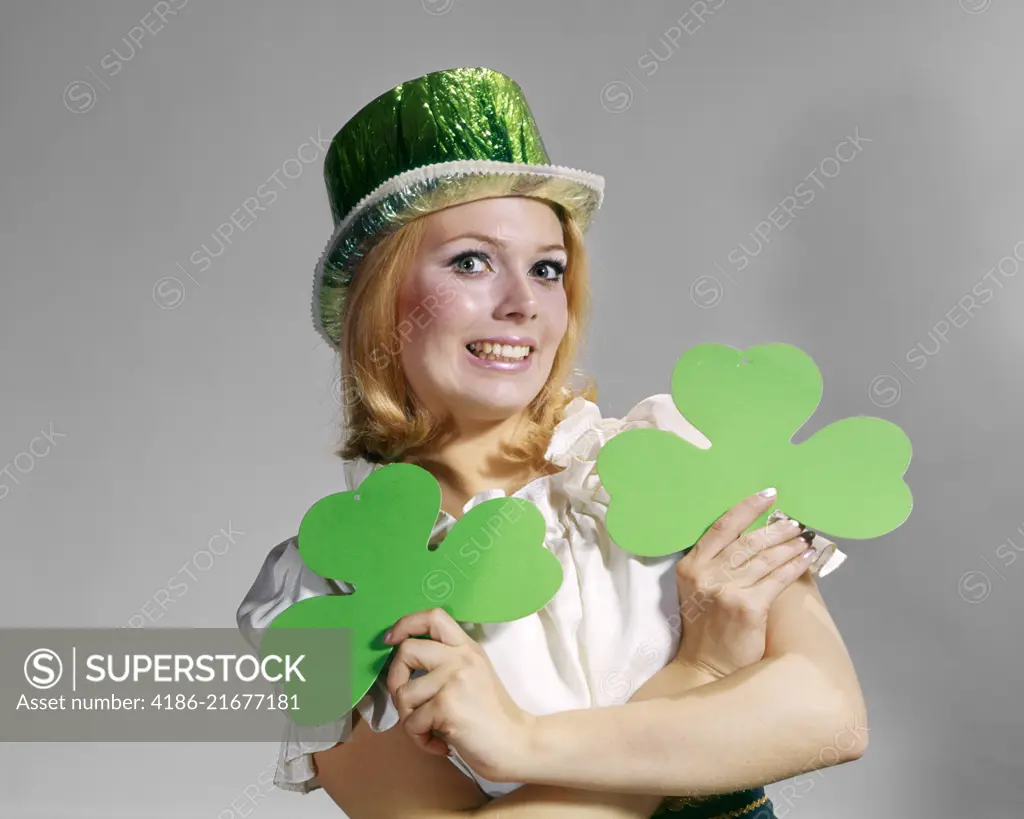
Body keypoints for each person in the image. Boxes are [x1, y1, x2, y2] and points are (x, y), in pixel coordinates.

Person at [236, 66, 866, 818]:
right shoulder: (326, 591)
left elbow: (829, 712)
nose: (520, 304)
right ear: (382, 301)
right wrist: (700, 671)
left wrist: (522, 742)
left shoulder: (675, 456)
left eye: (547, 269)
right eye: (470, 261)